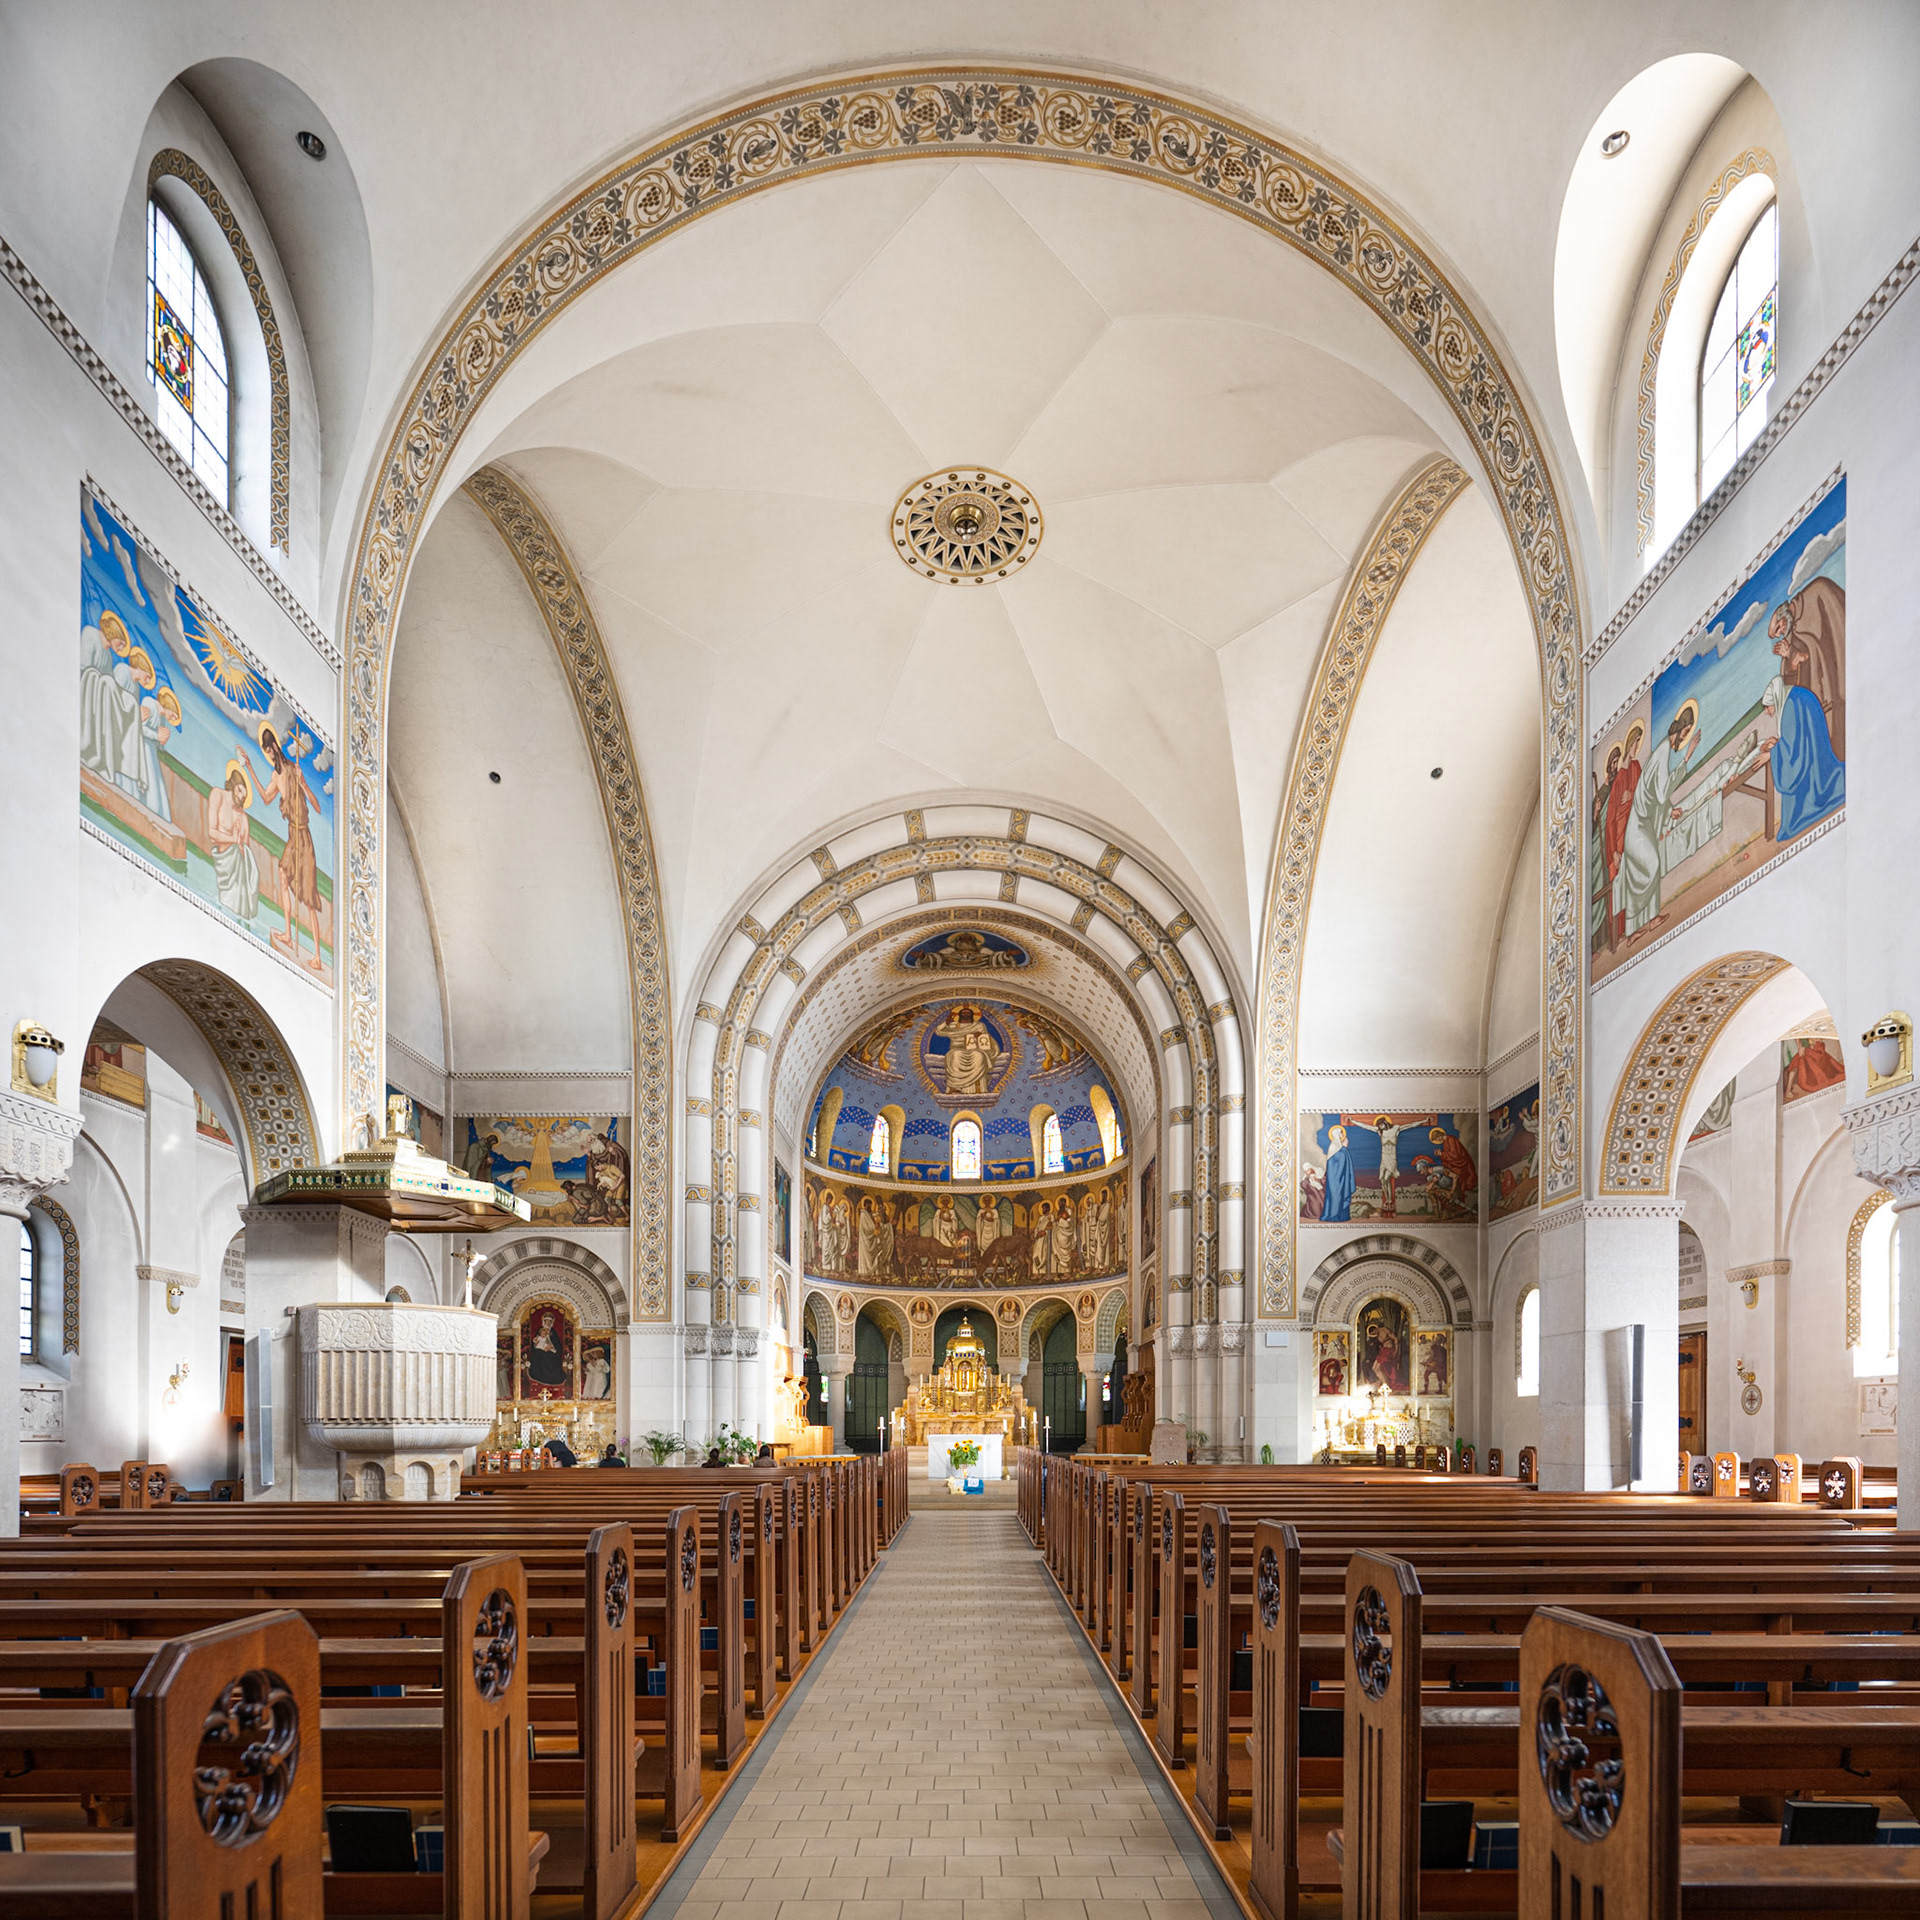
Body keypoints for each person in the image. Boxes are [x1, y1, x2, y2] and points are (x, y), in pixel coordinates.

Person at [241, 723, 327, 973]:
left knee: (309, 898)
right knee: (283, 875)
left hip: (304, 836)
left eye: (270, 749)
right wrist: (249, 769)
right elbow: (266, 798)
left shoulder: (293, 770)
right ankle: (289, 934)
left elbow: (317, 806)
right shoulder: (276, 776)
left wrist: (304, 784)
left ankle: (319, 957)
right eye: (265, 751)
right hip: (292, 834)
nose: (269, 754)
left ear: (276, 747)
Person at [1761, 672, 1845, 840]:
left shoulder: (1790, 704)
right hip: (1816, 751)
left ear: (1775, 700)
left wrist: (1772, 754)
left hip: (1811, 764)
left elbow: (1794, 753)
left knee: (1792, 813)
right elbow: (1798, 738)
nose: (1767, 713)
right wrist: (1778, 742)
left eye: (1767, 707)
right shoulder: (1795, 695)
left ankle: (1797, 820)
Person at [207, 760, 259, 923]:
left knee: (243, 860)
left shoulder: (243, 818)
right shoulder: (218, 795)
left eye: (243, 796)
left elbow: (246, 851)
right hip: (224, 862)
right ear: (233, 784)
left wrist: (241, 847)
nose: (240, 797)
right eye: (239, 791)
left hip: (238, 869)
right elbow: (212, 833)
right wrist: (233, 840)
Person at [1321, 1123, 1355, 1223]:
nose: (1342, 1136)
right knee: (1336, 1196)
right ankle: (1334, 1216)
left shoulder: (1338, 1146)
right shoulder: (1334, 1146)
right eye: (1340, 1133)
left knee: (1339, 1195)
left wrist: (1344, 1148)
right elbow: (1336, 1163)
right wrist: (1345, 1148)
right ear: (1336, 1134)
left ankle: (1342, 1216)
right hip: (1335, 1180)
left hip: (1340, 1178)